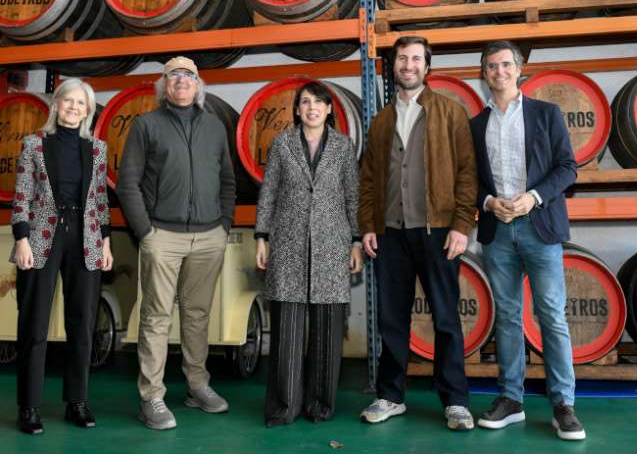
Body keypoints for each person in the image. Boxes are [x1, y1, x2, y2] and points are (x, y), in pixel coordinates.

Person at [357, 35, 478, 430]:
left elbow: (467, 173)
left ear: (427, 66)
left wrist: (462, 225)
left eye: (415, 59)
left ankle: (455, 401)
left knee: (445, 318)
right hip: (390, 233)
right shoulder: (381, 120)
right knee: (392, 319)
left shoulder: (450, 111)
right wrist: (368, 227)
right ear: (392, 66)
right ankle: (390, 396)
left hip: (438, 231)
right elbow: (370, 178)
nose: (407, 65)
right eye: (401, 59)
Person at [468, 41, 584, 441]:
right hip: (497, 231)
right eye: (491, 66)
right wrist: (488, 201)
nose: (498, 71)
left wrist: (533, 197)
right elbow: (472, 182)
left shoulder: (546, 114)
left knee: (551, 315)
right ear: (483, 74)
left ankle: (562, 405)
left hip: (540, 227)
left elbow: (568, 167)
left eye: (505, 64)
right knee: (507, 315)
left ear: (519, 69)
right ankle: (511, 400)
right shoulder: (475, 125)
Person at [116, 56, 236, 430]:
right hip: (161, 236)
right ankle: (151, 396)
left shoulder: (215, 127)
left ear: (198, 85)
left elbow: (227, 181)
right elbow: (127, 183)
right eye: (173, 76)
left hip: (208, 236)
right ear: (163, 86)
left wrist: (223, 225)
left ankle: (197, 386)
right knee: (155, 317)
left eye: (189, 76)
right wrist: (145, 231)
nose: (181, 81)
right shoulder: (146, 125)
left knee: (197, 315)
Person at [254, 81, 364, 427]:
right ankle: (283, 407)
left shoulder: (344, 147)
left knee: (328, 330)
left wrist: (356, 241)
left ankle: (319, 405)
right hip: (287, 243)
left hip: (333, 244)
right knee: (286, 327)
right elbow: (268, 190)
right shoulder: (282, 143)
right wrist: (261, 236)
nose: (312, 107)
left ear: (330, 109)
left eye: (318, 102)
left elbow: (352, 196)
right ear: (297, 110)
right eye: (305, 102)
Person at [10, 78, 114, 435]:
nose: (73, 107)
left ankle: (77, 402)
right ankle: (29, 407)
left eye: (80, 103)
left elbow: (100, 200)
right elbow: (22, 194)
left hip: (84, 238)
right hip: (41, 237)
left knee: (82, 324)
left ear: (87, 111)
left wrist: (106, 242)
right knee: (34, 323)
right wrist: (22, 240)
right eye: (67, 100)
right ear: (56, 105)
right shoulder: (35, 145)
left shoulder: (97, 149)